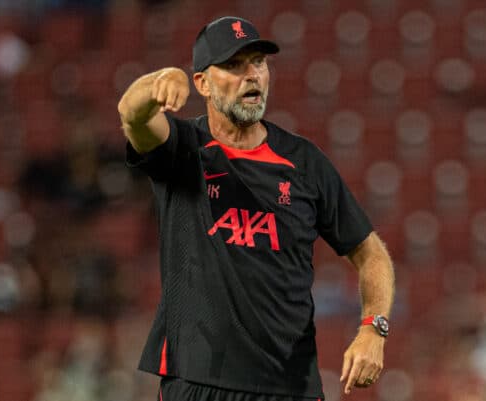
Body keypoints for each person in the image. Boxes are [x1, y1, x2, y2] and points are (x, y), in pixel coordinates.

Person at [118, 15, 395, 401]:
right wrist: (157, 83)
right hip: (197, 382)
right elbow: (132, 115)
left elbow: (372, 254)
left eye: (259, 63)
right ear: (202, 83)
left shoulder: (305, 162)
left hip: (288, 387)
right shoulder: (183, 149)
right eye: (234, 65)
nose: (252, 75)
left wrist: (373, 328)